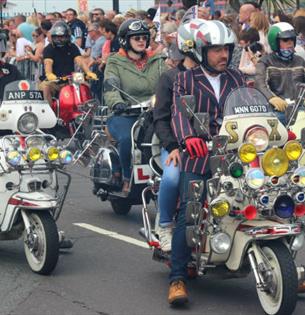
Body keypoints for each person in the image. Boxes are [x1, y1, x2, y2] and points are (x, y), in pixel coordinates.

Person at [169, 20, 245, 305]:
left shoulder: (236, 78)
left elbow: (249, 108)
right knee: (188, 215)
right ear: (202, 51)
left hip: (232, 155)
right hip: (199, 157)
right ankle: (177, 278)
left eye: (225, 48)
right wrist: (188, 137)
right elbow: (179, 112)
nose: (223, 54)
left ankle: (289, 267)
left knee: (262, 202)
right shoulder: (186, 79)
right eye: (215, 49)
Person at [153, 19, 203, 252]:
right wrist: (172, 146)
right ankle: (164, 225)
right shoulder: (170, 78)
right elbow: (161, 118)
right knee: (172, 177)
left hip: (209, 145)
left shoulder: (218, 77)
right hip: (176, 144)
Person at [103, 19, 165, 195]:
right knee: (127, 139)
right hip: (126, 113)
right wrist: (117, 102)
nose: (141, 41)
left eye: (144, 37)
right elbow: (110, 87)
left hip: (154, 113)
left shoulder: (158, 60)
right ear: (125, 40)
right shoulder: (115, 61)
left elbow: (169, 81)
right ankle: (125, 176)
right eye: (136, 37)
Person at [255, 22, 305, 125]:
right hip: (277, 111)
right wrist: (271, 97)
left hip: (300, 109)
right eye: (285, 40)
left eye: (292, 39)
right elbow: (260, 83)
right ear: (275, 42)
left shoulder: (300, 61)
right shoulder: (265, 62)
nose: (290, 43)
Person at [39, 21, 97, 106]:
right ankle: (50, 113)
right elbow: (48, 63)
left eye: (62, 37)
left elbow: (80, 61)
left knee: (86, 85)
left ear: (68, 37)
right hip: (53, 79)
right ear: (52, 37)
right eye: (56, 37)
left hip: (70, 76)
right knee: (45, 87)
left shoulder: (72, 47)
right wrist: (49, 74)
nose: (59, 39)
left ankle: (87, 110)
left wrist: (88, 72)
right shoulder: (48, 49)